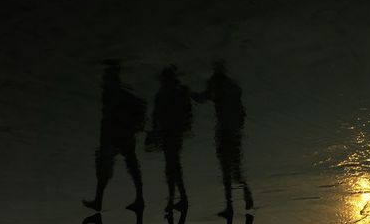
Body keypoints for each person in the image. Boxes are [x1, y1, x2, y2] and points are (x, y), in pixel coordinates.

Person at [83, 59, 146, 211]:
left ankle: (136, 198)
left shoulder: (115, 92)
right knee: (125, 164)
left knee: (113, 164)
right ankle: (136, 198)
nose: (104, 81)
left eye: (107, 77)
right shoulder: (117, 92)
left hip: (115, 134)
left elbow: (134, 106)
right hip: (119, 134)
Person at [193, 60, 254, 214]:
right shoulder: (232, 86)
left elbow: (202, 98)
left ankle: (230, 205)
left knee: (226, 168)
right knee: (235, 166)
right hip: (234, 131)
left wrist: (189, 92)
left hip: (224, 131)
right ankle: (245, 191)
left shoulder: (216, 84)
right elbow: (242, 112)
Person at [145, 65, 193, 212]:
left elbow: (155, 117)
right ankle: (176, 198)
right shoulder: (178, 93)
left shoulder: (162, 95)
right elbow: (187, 116)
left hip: (169, 134)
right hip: (174, 133)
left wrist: (154, 132)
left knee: (172, 166)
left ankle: (178, 198)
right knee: (172, 165)